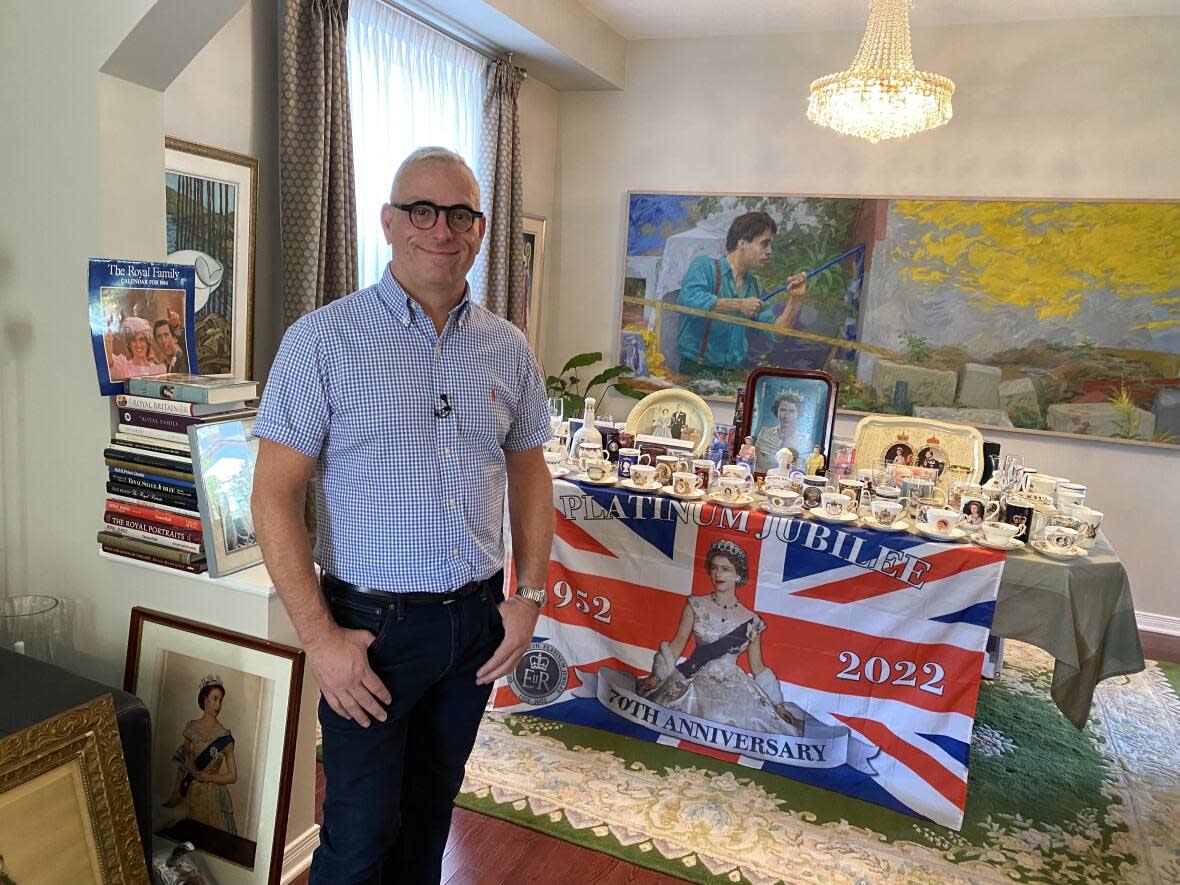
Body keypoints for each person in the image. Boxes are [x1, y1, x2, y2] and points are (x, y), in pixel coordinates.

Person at [251, 146, 553, 885]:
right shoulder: (322, 341)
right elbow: (272, 496)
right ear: (389, 223)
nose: (440, 229)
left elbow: (530, 473)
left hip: (475, 626)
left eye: (459, 214)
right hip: (369, 632)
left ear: (481, 230)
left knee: (427, 826)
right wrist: (319, 637)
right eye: (421, 210)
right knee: (358, 842)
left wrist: (529, 597)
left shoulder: (507, 350)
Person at [636, 540, 805, 735]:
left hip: (735, 688)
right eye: (715, 568)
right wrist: (657, 677)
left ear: (737, 575)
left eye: (725, 569)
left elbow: (757, 666)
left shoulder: (752, 621)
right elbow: (676, 645)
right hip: (693, 682)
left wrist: (776, 703)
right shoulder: (695, 604)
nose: (718, 574)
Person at [675, 212, 806, 375]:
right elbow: (687, 302)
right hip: (695, 370)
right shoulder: (705, 267)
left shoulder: (756, 287)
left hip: (733, 373)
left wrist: (795, 299)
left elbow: (776, 333)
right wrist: (739, 305)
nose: (769, 251)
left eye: (770, 245)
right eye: (764, 244)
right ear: (743, 242)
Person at [162, 674, 238, 834]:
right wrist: (175, 792)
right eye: (215, 698)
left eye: (221, 700)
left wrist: (209, 777)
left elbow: (232, 776)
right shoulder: (191, 727)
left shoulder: (225, 736)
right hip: (191, 793)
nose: (218, 704)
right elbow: (182, 764)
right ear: (205, 699)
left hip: (214, 798)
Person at [753, 388, 810, 474]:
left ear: (798, 413)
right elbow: (757, 461)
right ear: (777, 410)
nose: (786, 416)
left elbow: (802, 469)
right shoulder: (764, 432)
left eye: (792, 411)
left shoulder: (804, 440)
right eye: (783, 410)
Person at [105, 315, 167, 380]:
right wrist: (108, 338)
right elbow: (109, 362)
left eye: (142, 339)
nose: (138, 344)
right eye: (134, 340)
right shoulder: (123, 368)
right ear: (129, 344)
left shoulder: (159, 370)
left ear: (147, 342)